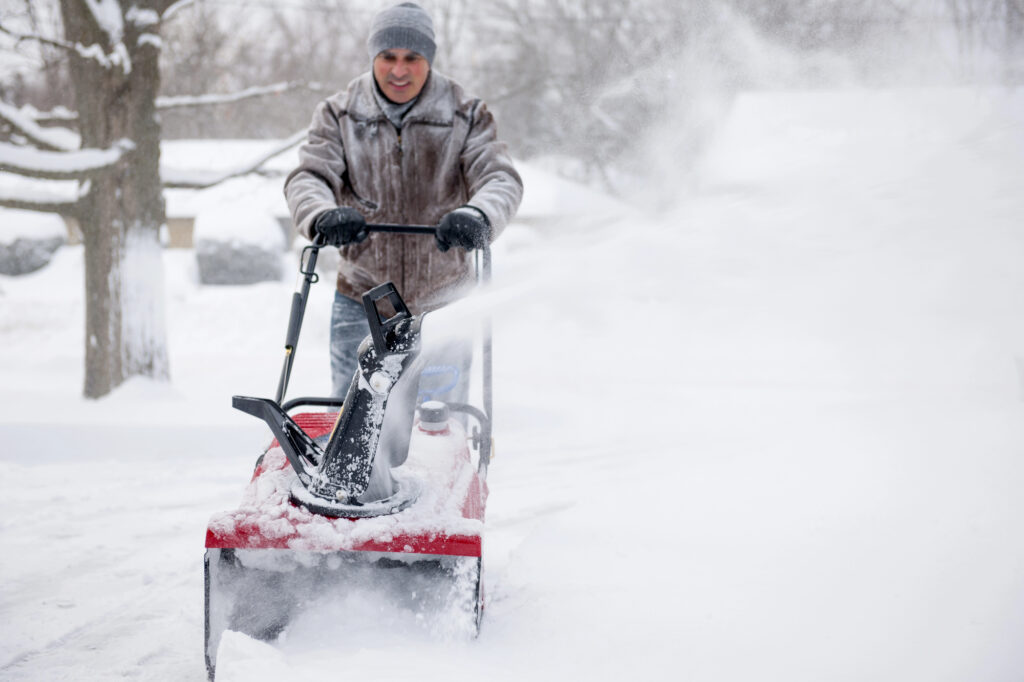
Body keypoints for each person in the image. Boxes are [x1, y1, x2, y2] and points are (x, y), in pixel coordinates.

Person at [285, 2, 523, 398]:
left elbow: (500, 177)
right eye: (388, 57)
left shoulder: (466, 113)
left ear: (428, 58)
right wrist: (322, 214)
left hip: (443, 300)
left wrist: (477, 214)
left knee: (437, 428)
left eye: (412, 58)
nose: (399, 70)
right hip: (361, 299)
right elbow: (310, 176)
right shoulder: (339, 114)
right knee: (353, 428)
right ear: (373, 56)